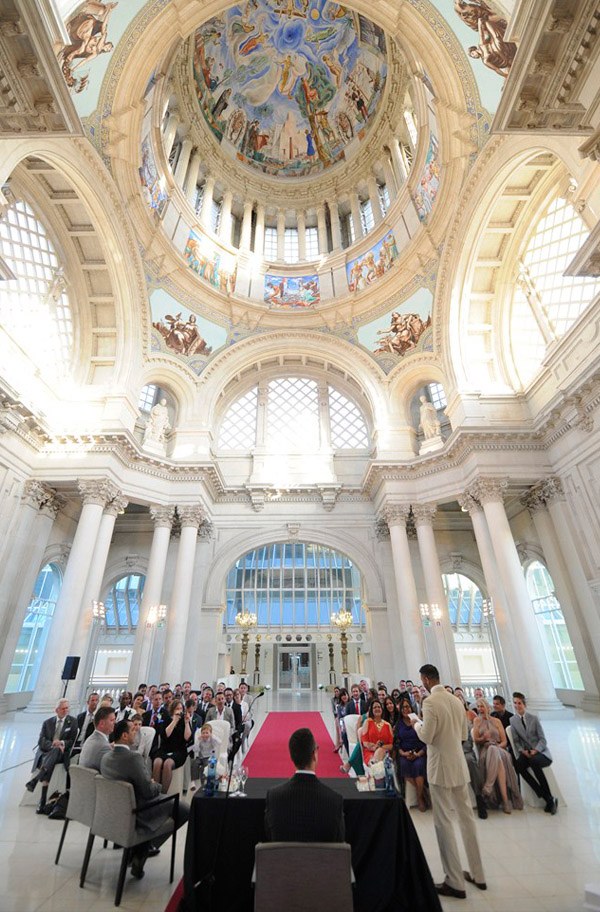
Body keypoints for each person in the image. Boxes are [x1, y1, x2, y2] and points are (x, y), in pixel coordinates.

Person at [411, 664, 486, 899]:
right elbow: (463, 735)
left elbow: (426, 736)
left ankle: (454, 880)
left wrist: (416, 723)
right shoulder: (455, 701)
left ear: (424, 679)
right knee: (466, 819)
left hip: (440, 768)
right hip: (458, 766)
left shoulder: (430, 702)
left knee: (443, 822)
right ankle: (478, 874)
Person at [101, 720, 190, 879]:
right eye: (133, 730)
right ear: (124, 735)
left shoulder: (106, 757)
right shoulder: (133, 758)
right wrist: (156, 784)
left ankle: (141, 849)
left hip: (114, 812)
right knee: (183, 809)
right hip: (137, 810)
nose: (137, 732)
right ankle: (145, 847)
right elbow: (149, 791)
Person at [265, 728, 345, 842]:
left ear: (292, 756)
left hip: (285, 859)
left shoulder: (274, 797)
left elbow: (270, 837)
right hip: (321, 859)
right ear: (314, 755)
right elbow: (339, 843)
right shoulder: (334, 801)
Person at [26, 698, 78, 812]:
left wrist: (61, 743)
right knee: (53, 754)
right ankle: (42, 801)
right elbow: (41, 741)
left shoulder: (73, 722)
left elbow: (72, 740)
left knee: (56, 751)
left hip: (62, 752)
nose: (66, 710)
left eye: (67, 708)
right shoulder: (47, 723)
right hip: (48, 752)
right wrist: (53, 744)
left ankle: (38, 787)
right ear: (56, 710)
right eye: (63, 708)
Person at [472, 699, 522, 814]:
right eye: (478, 707)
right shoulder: (476, 721)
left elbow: (504, 741)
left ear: (488, 708)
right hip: (485, 750)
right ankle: (505, 800)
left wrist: (497, 747)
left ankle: (488, 787)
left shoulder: (497, 721)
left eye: (482, 706)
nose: (480, 709)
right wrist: (483, 739)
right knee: (494, 754)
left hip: (500, 749)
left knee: (495, 752)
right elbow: (476, 740)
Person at [510, 691, 558, 814]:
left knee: (534, 761)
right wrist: (523, 751)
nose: (517, 705)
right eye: (515, 703)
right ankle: (545, 796)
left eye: (519, 703)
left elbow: (542, 739)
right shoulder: (513, 720)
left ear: (524, 704)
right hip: (526, 753)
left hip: (540, 752)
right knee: (518, 765)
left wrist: (536, 750)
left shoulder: (534, 718)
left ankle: (549, 800)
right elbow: (516, 741)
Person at [394, 697, 428, 811]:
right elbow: (397, 742)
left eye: (407, 707)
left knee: (418, 766)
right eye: (403, 707)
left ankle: (420, 799)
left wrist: (418, 754)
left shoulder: (418, 720)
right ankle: (423, 792)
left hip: (419, 752)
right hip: (405, 753)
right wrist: (403, 753)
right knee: (404, 765)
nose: (405, 709)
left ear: (411, 707)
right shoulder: (398, 724)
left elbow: (425, 740)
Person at [152, 698, 192, 793]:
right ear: (173, 710)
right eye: (177, 708)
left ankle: (163, 794)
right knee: (157, 762)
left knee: (167, 763)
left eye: (181, 709)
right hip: (165, 749)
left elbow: (187, 738)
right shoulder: (166, 719)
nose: (179, 711)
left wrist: (186, 723)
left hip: (179, 750)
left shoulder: (184, 721)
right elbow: (165, 735)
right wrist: (174, 721)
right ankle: (154, 792)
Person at [79, 706, 116, 771]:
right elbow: (113, 771)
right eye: (112, 720)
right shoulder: (103, 746)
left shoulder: (90, 739)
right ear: (101, 723)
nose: (114, 723)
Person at [359, 699, 393, 767]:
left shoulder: (388, 725)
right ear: (371, 710)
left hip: (384, 752)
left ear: (382, 709)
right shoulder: (367, 722)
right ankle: (376, 766)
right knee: (376, 759)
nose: (377, 709)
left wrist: (380, 747)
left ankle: (375, 767)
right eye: (374, 707)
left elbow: (391, 745)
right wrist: (374, 747)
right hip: (370, 752)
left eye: (379, 707)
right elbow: (365, 742)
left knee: (381, 751)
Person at [190, 722, 219, 790]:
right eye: (203, 733)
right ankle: (193, 781)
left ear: (210, 733)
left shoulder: (212, 740)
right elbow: (195, 750)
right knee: (194, 763)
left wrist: (212, 737)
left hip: (208, 757)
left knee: (205, 766)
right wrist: (198, 741)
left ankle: (204, 783)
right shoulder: (200, 740)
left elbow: (218, 743)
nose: (205, 735)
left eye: (207, 733)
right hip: (200, 756)